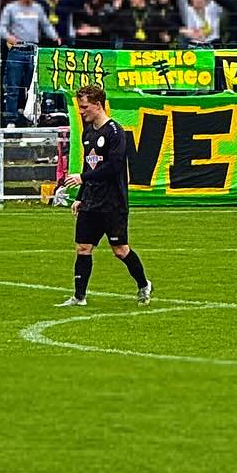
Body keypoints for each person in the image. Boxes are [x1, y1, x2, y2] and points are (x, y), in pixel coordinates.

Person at [58, 84, 153, 307]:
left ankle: (143, 284)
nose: (81, 112)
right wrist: (80, 196)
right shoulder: (88, 132)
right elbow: (88, 166)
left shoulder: (115, 132)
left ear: (98, 105)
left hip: (113, 202)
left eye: (84, 107)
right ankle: (79, 297)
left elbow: (114, 166)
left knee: (120, 251)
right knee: (83, 248)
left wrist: (82, 178)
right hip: (91, 201)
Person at [0, 0, 61, 125]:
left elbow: (45, 24)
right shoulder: (11, 8)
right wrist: (9, 37)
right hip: (16, 51)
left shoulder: (37, 8)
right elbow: (1, 27)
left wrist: (54, 36)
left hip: (33, 51)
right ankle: (11, 120)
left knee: (34, 87)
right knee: (13, 87)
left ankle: (34, 118)